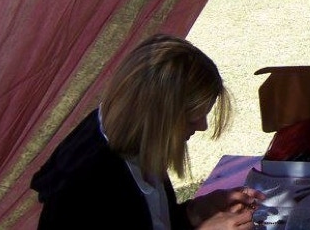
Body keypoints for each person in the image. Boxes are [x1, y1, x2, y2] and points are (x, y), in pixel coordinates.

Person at [31, 34, 266, 229]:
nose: (202, 126)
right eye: (191, 117)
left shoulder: (137, 140)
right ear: (158, 115)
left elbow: (149, 220)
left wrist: (194, 213)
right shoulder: (85, 187)